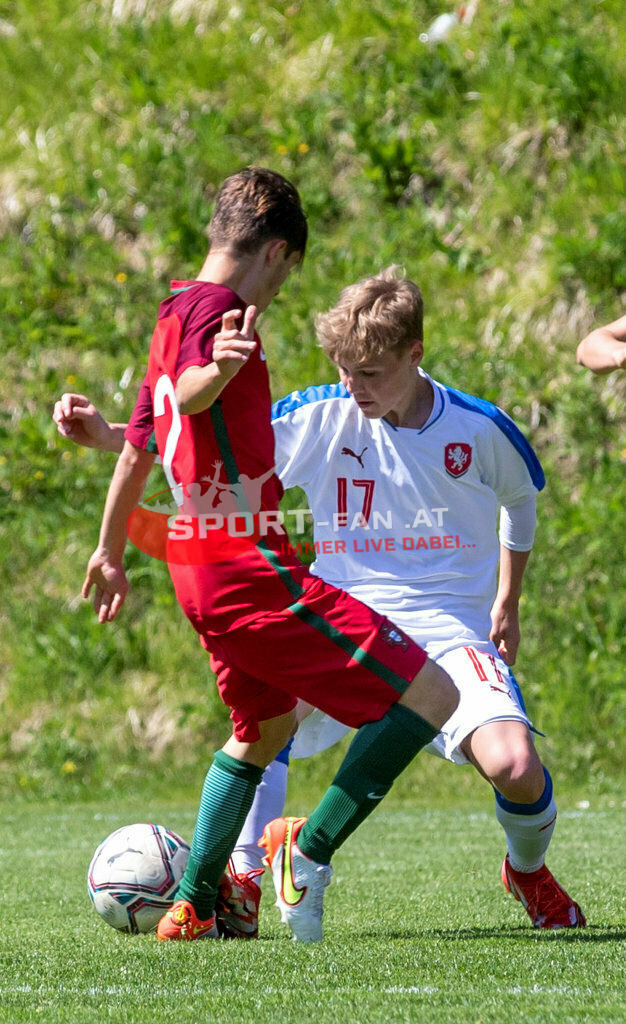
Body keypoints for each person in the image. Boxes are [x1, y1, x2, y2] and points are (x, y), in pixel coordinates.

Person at [55, 265, 585, 933]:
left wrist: (508, 599)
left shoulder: (480, 429)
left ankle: (527, 872)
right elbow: (211, 445)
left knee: (515, 767)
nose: (351, 388)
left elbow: (521, 501)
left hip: (450, 629)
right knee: (267, 718)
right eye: (343, 370)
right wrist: (110, 435)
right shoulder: (323, 415)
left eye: (369, 373)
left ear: (414, 355)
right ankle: (247, 874)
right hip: (347, 611)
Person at [79, 168, 458, 943]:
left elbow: (143, 447)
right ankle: (303, 848)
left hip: (195, 556)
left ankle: (195, 902)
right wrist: (214, 373)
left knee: (265, 725)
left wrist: (109, 548)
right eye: (288, 274)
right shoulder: (220, 314)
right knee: (432, 696)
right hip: (243, 559)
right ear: (278, 253)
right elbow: (187, 398)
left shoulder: (173, 310)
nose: (282, 290)